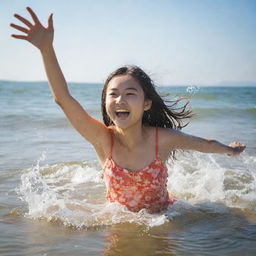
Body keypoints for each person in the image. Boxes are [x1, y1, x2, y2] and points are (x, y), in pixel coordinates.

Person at [10, 7, 246, 213]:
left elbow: (203, 144)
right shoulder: (103, 140)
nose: (120, 99)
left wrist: (229, 150)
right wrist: (46, 49)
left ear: (146, 103)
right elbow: (63, 99)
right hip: (117, 221)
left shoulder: (161, 140)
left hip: (163, 217)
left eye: (130, 93)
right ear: (105, 102)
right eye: (113, 94)